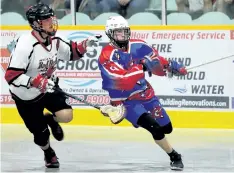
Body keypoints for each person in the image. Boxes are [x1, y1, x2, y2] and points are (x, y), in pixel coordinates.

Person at [4, 2, 101, 168]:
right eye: (46, 19)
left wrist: (85, 45)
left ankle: (50, 118)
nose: (52, 21)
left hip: (46, 88)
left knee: (67, 115)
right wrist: (35, 81)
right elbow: (11, 76)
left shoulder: (54, 41)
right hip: (25, 96)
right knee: (41, 137)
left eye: (51, 17)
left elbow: (71, 52)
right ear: (35, 23)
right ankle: (48, 152)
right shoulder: (25, 45)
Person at [98, 16, 187, 170]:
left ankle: (142, 120)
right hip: (126, 101)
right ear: (110, 34)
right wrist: (142, 66)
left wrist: (169, 67)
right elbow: (123, 80)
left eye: (125, 31)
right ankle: (174, 155)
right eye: (118, 32)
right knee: (154, 128)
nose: (123, 36)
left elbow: (156, 61)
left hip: (145, 94)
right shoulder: (107, 55)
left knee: (167, 128)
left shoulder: (139, 45)